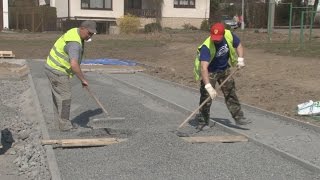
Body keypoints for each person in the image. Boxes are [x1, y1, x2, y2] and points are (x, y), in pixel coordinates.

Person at [193, 22, 251, 126]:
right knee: (207, 96)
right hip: (210, 71)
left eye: (218, 37)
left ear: (223, 34)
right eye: (214, 37)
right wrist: (208, 86)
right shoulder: (206, 47)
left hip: (224, 69)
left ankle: (239, 117)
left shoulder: (229, 35)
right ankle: (203, 120)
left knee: (230, 92)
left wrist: (241, 59)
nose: (216, 40)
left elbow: (238, 45)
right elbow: (204, 68)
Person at [44, 20, 97, 131]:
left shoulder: (74, 32)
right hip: (57, 70)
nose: (90, 36)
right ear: (82, 28)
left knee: (58, 96)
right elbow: (74, 64)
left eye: (92, 34)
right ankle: (64, 126)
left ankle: (58, 123)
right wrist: (83, 79)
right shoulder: (74, 44)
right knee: (65, 98)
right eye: (89, 33)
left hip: (52, 66)